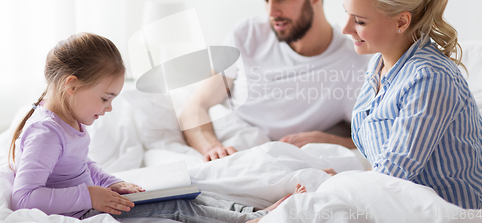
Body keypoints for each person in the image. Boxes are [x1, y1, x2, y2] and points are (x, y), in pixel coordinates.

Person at [9, 32, 301, 222]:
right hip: (85, 211)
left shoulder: (70, 121)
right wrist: (89, 195)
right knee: (175, 209)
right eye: (105, 98)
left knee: (187, 192)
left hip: (94, 201)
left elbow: (82, 165)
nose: (109, 107)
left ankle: (251, 213)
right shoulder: (45, 132)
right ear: (71, 85)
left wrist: (110, 182)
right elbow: (23, 197)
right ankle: (251, 220)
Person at [181, 0, 370, 161]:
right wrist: (212, 148)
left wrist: (329, 140)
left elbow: (374, 140)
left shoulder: (354, 64)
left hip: (282, 160)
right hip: (232, 146)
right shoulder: (246, 35)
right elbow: (195, 107)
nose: (272, 12)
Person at [340, 0, 482, 209]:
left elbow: (392, 171)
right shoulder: (378, 67)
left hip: (437, 212)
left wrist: (334, 191)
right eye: (347, 14)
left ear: (401, 22)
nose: (345, 28)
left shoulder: (430, 78)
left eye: (359, 21)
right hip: (394, 201)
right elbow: (381, 164)